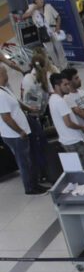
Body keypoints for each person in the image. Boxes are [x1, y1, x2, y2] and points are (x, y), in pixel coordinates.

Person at [0, 65, 47, 195]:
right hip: (15, 136)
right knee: (24, 162)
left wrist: (29, 109)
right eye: (5, 72)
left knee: (29, 159)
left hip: (21, 132)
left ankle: (34, 182)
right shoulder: (0, 95)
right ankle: (30, 187)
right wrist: (20, 131)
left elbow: (16, 102)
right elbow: (6, 118)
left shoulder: (5, 89)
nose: (7, 74)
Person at [49, 73, 84, 170]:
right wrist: (82, 127)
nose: (68, 87)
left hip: (66, 141)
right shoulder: (60, 102)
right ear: (56, 86)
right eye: (65, 85)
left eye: (68, 84)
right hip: (74, 140)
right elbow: (68, 123)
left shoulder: (52, 99)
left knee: (78, 168)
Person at [23, 0, 67, 71]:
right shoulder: (33, 9)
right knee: (50, 51)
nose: (42, 1)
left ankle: (64, 66)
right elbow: (25, 15)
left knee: (59, 48)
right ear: (35, 0)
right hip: (44, 32)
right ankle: (57, 67)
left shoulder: (48, 7)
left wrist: (58, 26)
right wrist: (33, 8)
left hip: (53, 30)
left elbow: (58, 17)